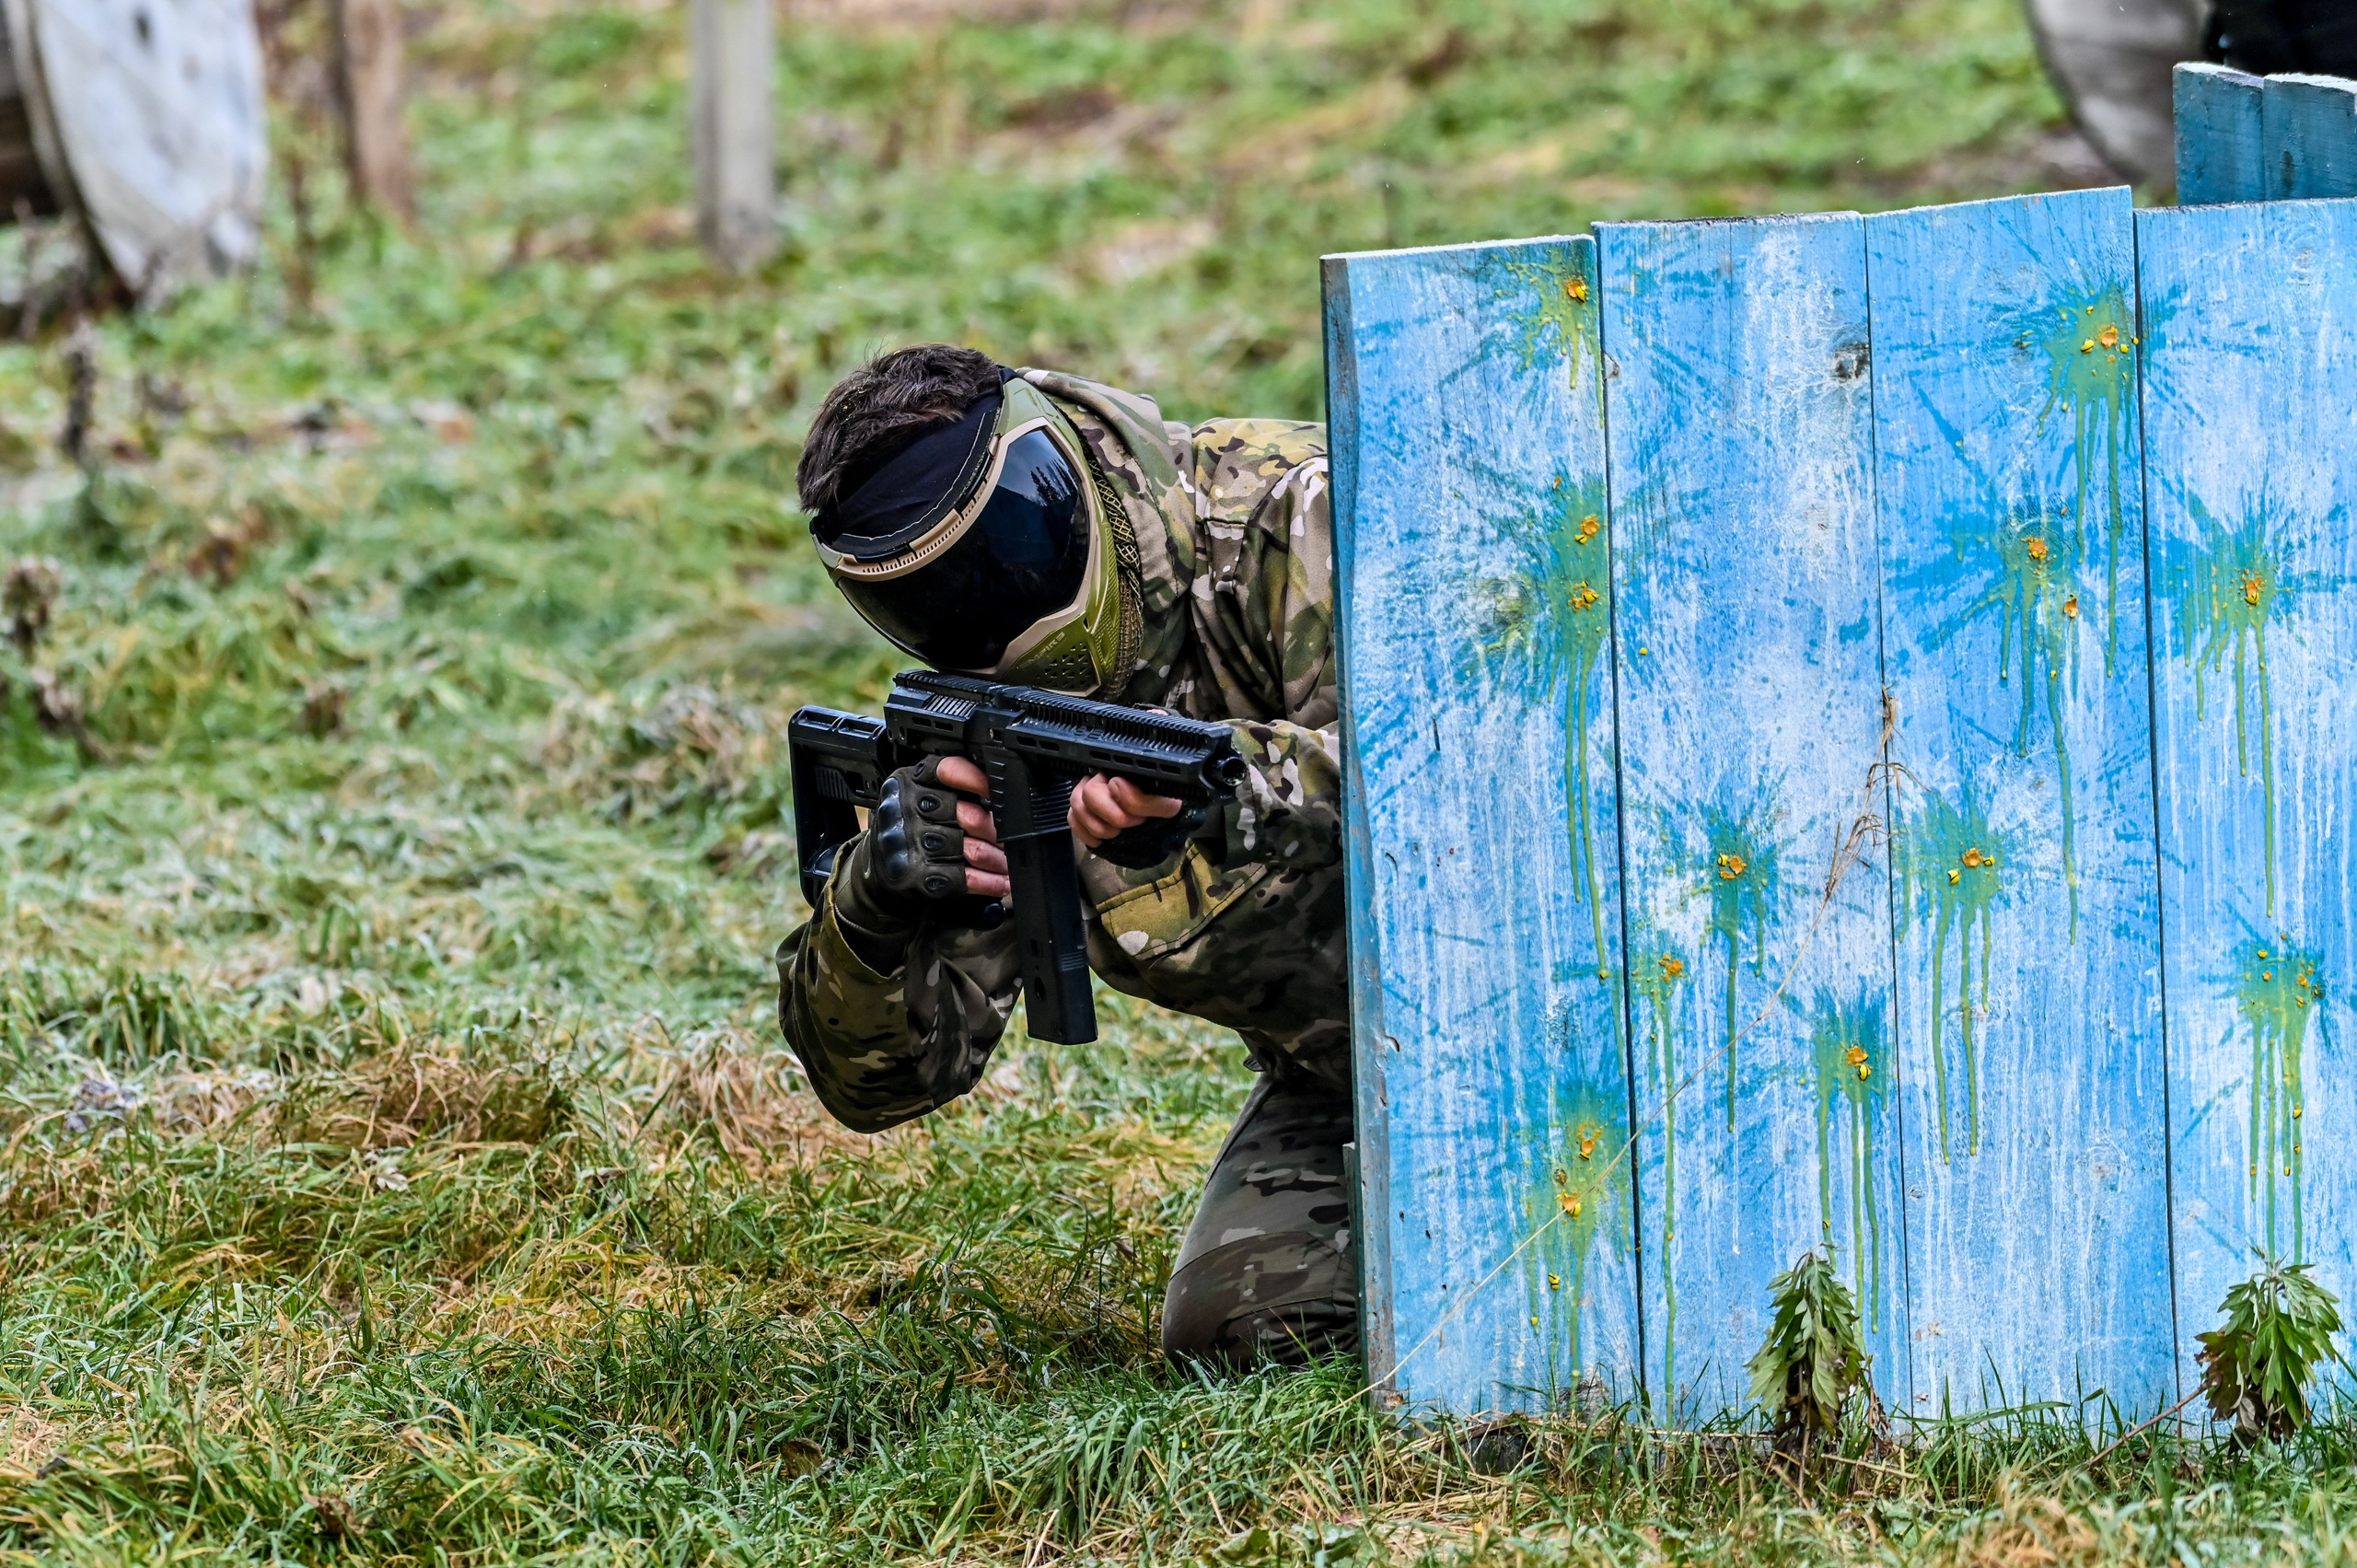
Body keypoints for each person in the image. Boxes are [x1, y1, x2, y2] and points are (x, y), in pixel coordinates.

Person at [775, 344, 1354, 1370]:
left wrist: (1226, 792)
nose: (991, 619)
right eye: (934, 604)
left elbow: (1477, 781)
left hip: (1580, 1001)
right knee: (1245, 1324)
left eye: (1007, 550)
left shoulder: (1302, 520)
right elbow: (879, 1087)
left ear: (1059, 469)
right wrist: (872, 907)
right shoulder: (1000, 732)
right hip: (1351, 1070)